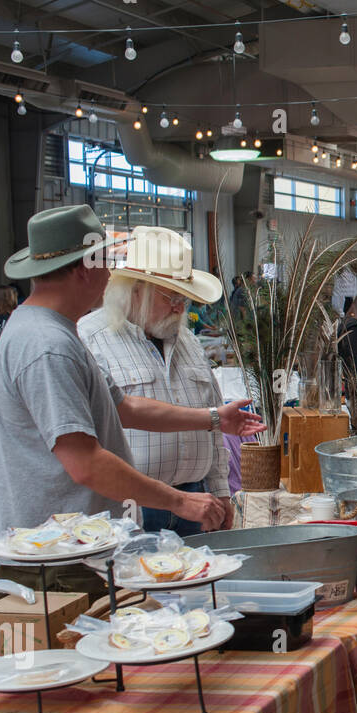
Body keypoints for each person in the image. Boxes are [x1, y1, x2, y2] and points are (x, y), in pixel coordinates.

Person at [0, 206, 263, 593]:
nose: (111, 274)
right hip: (60, 553)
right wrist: (178, 502)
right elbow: (85, 463)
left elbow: (125, 408)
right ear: (84, 268)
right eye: (107, 261)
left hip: (79, 546)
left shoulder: (55, 335)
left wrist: (214, 418)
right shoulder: (48, 346)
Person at [78, 226, 234, 536]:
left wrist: (220, 490)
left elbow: (214, 423)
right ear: (135, 290)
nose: (179, 307)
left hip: (196, 500)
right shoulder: (90, 339)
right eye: (170, 297)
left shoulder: (188, 342)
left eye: (184, 298)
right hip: (130, 508)